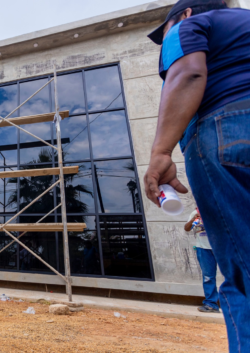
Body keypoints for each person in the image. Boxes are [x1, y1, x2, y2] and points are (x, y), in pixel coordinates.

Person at [143, 0, 250, 350]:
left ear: (185, 14)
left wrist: (161, 151)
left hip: (229, 129)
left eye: (166, 29)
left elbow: (187, 72)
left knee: (243, 275)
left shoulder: (188, 27)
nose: (166, 38)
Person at [184, 208, 219, 313]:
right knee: (208, 277)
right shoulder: (195, 213)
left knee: (233, 275)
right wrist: (193, 220)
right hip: (203, 249)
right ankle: (211, 304)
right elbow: (186, 228)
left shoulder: (218, 208)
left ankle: (240, 304)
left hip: (222, 247)